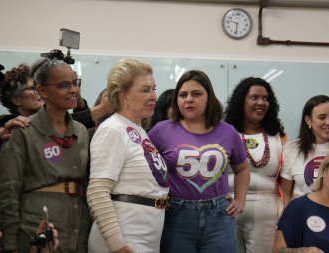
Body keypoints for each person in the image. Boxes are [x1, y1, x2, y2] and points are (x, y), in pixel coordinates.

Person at [149, 70, 250, 253]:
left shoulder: (228, 132)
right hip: (175, 217)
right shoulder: (161, 131)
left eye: (196, 94)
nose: (189, 99)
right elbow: (144, 169)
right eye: (183, 94)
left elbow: (242, 168)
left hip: (220, 216)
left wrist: (241, 200)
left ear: (209, 97)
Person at [0, 57, 91, 252]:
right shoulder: (23, 130)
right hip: (37, 225)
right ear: (42, 91)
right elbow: (8, 190)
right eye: (64, 85)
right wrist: (9, 245)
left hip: (78, 225)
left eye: (75, 83)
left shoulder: (81, 131)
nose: (73, 90)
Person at [86, 58, 169, 253]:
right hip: (124, 240)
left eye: (154, 88)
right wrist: (118, 246)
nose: (154, 96)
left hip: (145, 236)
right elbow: (97, 192)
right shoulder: (113, 129)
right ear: (123, 95)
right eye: (145, 90)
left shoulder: (138, 129)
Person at [224, 77, 286, 253]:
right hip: (227, 209)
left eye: (265, 98)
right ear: (240, 101)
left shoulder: (279, 138)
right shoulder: (224, 133)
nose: (261, 102)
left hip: (266, 213)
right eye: (254, 97)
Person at [280, 95, 329, 207]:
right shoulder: (291, 148)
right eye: (322, 117)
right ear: (308, 120)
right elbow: (286, 194)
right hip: (302, 216)